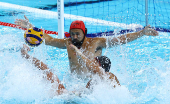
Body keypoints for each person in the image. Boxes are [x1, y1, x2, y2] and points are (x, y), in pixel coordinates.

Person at [15, 15, 159, 78]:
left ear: (85, 33)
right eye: (72, 34)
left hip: (93, 83)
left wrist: (141, 33)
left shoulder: (96, 42)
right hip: (74, 82)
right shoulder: (67, 43)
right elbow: (48, 39)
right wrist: (31, 28)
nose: (74, 37)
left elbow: (120, 39)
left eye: (77, 34)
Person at [21, 44, 120, 96]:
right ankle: (26, 56)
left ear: (99, 64)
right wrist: (67, 94)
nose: (90, 62)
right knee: (50, 75)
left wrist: (79, 52)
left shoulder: (110, 76)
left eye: (93, 61)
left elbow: (97, 70)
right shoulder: (92, 83)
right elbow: (82, 95)